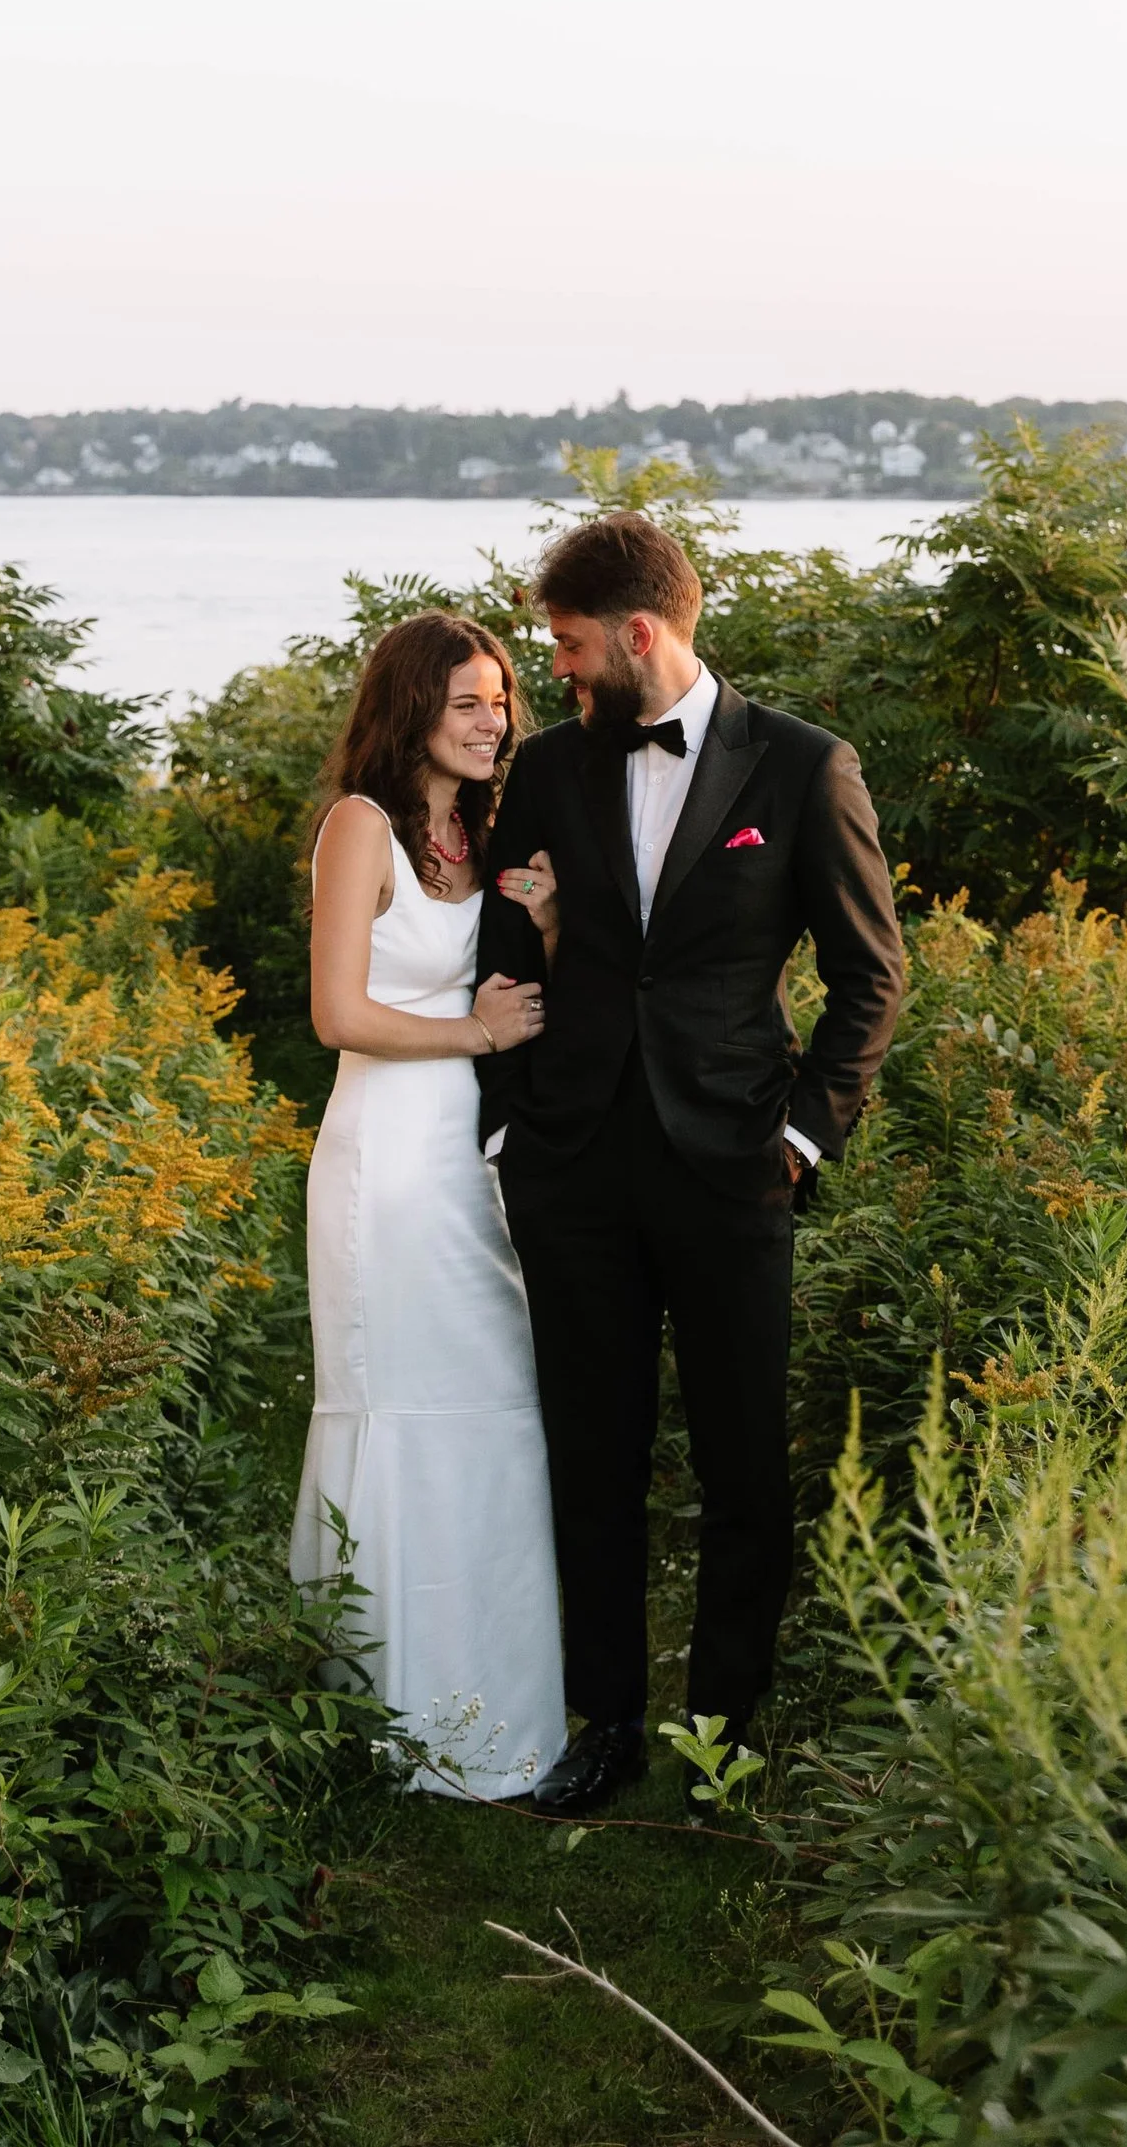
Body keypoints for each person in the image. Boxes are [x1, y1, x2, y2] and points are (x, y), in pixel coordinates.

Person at [475, 511, 906, 1819]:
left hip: (731, 1169)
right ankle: (604, 1730)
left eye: (566, 645)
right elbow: (501, 952)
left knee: (740, 1466)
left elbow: (869, 974)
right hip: (576, 1169)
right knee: (589, 1454)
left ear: (638, 632)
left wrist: (799, 1134)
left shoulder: (801, 767)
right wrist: (509, 1126)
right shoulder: (548, 772)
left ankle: (723, 1740)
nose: (557, 669)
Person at [289, 610, 568, 1798]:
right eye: (467, 701)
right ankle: (378, 1708)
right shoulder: (362, 829)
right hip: (383, 1163)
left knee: (497, 1404)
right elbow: (337, 1015)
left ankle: (498, 1700)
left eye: (500, 699)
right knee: (396, 1404)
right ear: (410, 707)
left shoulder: (486, 830)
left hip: (471, 1159)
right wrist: (471, 1030)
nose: (493, 720)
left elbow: (535, 986)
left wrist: (551, 920)